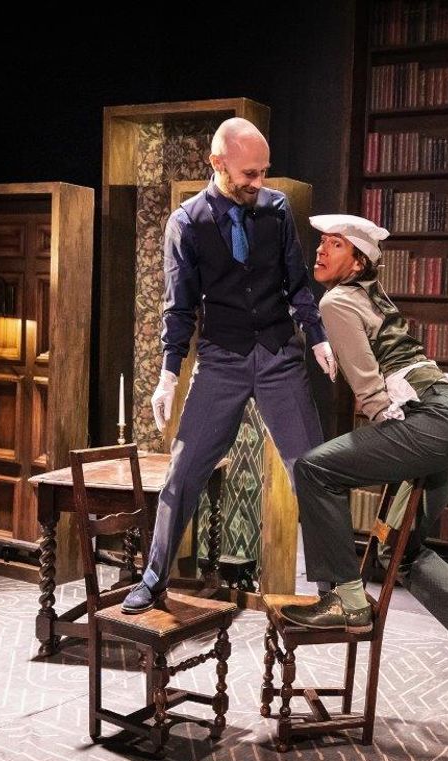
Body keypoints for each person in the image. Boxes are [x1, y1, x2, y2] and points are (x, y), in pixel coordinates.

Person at [279, 213, 448, 697]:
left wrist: (387, 434)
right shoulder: (370, 293)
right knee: (399, 548)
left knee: (314, 469)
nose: (321, 251)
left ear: (356, 260)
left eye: (333, 245)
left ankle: (345, 599)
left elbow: (370, 392)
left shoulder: (336, 301)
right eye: (321, 243)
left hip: (431, 420)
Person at [122, 117, 336, 614]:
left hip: (280, 355)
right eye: (249, 174)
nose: (258, 183)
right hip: (222, 360)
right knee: (183, 471)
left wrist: (318, 337)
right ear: (217, 163)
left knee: (312, 470)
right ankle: (154, 578)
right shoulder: (188, 222)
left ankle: (334, 587)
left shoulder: (277, 209)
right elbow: (178, 309)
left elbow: (297, 283)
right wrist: (169, 376)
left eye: (264, 172)